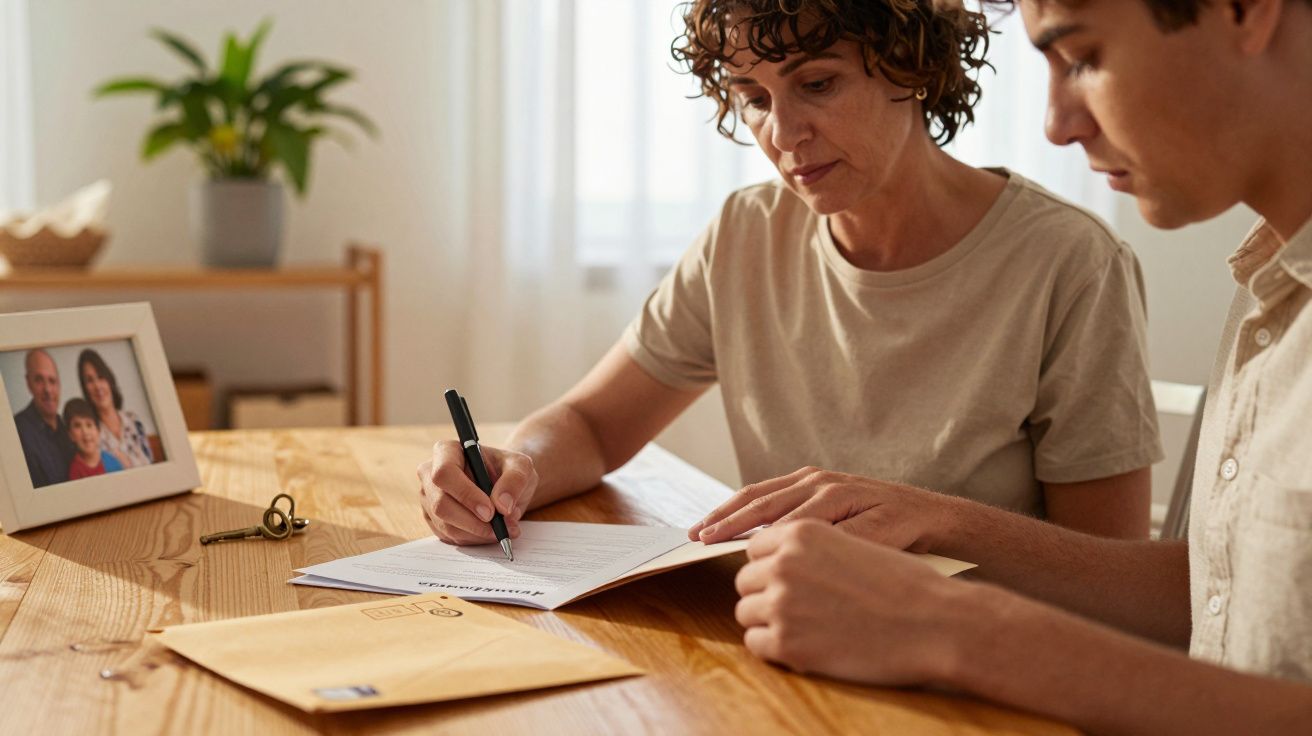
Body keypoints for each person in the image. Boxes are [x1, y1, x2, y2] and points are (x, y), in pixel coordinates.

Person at [717, 0, 1312, 731]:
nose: (1058, 127)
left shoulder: (1070, 257)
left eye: (1084, 57)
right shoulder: (1272, 293)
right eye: (751, 99)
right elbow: (1226, 591)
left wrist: (947, 625)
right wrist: (938, 521)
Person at [419, 0, 1165, 546]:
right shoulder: (748, 234)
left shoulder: (1067, 263)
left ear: (913, 65)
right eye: (753, 99)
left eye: (817, 84)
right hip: (797, 646)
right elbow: (591, 423)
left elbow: (1111, 575)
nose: (783, 134)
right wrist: (515, 472)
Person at [78, 349, 154, 469]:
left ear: (109, 379)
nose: (97, 386)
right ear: (85, 389)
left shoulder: (134, 421)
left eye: (100, 377)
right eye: (90, 380)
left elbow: (151, 465)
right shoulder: (90, 436)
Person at [12, 349, 75, 488]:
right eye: (39, 380)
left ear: (59, 385)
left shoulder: (69, 428)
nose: (48, 389)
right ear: (29, 384)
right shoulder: (16, 432)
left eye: (52, 381)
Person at [63, 398, 124, 480]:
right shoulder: (75, 471)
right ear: (70, 435)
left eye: (89, 425)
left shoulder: (111, 461)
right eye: (77, 426)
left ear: (98, 431)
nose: (85, 432)